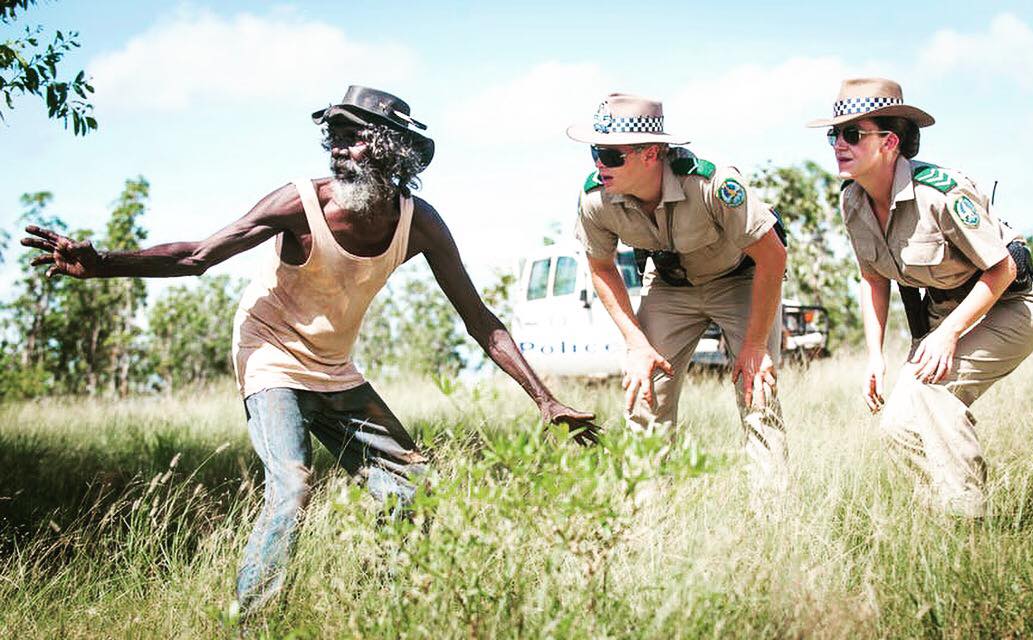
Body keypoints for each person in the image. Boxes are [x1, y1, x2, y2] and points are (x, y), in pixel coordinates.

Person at [22, 85, 600, 614]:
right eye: (336, 139)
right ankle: (251, 622)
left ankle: (398, 610)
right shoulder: (299, 203)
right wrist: (103, 265)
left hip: (334, 367)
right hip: (269, 352)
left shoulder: (417, 223)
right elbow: (198, 256)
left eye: (355, 139)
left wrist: (546, 401)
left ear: (392, 152)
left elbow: (480, 320)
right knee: (293, 484)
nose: (339, 151)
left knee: (415, 488)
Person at [808, 78, 1033, 517]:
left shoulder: (940, 193)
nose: (838, 145)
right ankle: (944, 515)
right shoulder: (853, 202)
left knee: (933, 393)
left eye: (851, 134)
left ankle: (970, 520)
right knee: (897, 427)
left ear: (889, 142)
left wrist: (948, 334)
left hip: (1013, 303)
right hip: (945, 318)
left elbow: (1003, 268)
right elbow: (873, 279)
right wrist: (875, 357)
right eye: (834, 135)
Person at [566, 93, 789, 489]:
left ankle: (772, 517)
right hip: (670, 287)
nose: (600, 164)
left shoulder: (713, 182)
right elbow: (600, 266)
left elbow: (772, 257)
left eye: (612, 155)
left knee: (758, 393)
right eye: (595, 153)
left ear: (651, 153)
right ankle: (648, 522)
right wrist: (636, 343)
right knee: (643, 393)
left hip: (739, 279)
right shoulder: (594, 198)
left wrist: (755, 346)